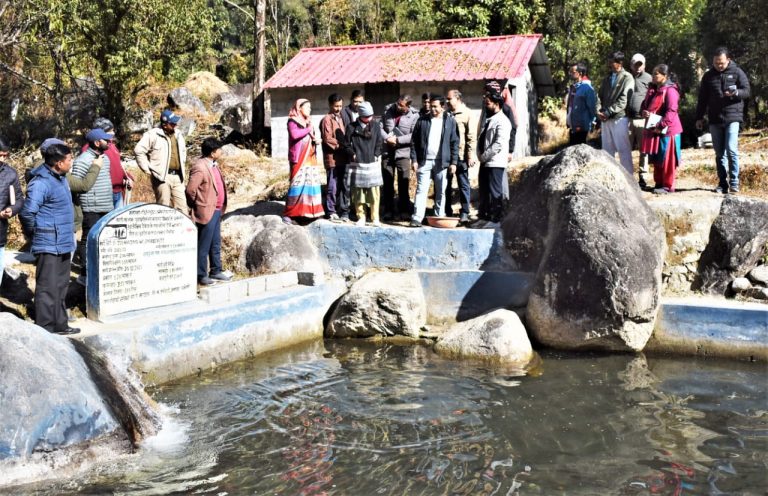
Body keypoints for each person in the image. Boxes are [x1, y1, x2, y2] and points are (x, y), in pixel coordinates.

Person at [19, 143, 80, 335]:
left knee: (61, 285)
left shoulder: (61, 178)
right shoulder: (41, 183)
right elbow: (27, 212)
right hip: (48, 242)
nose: (72, 162)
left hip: (63, 241)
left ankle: (60, 324)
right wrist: (35, 234)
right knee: (47, 287)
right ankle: (45, 328)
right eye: (70, 159)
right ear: (59, 163)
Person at [695, 47, 751, 194]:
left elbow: (747, 91)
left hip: (733, 117)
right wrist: (699, 117)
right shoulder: (708, 76)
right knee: (719, 153)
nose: (719, 65)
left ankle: (734, 182)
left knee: (731, 149)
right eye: (716, 63)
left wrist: (736, 93)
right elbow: (702, 99)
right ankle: (722, 183)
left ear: (728, 60)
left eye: (721, 63)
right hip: (715, 119)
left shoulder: (737, 72)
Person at [186, 138, 232, 286]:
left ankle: (216, 271)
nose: (221, 151)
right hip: (207, 210)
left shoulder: (213, 165)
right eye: (219, 149)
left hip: (217, 209)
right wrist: (197, 205)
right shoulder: (200, 167)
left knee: (215, 243)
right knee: (204, 245)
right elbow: (190, 190)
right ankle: (200, 275)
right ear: (213, 152)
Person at [72, 128, 115, 284]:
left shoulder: (105, 158)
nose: (109, 142)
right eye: (106, 140)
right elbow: (76, 185)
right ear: (97, 142)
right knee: (88, 240)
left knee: (103, 240)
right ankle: (85, 273)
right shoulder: (82, 160)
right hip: (91, 209)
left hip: (106, 207)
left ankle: (100, 271)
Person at [409, 95, 459, 228]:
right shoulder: (423, 120)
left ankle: (438, 217)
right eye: (431, 106)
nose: (432, 109)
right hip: (424, 162)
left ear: (442, 107)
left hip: (442, 163)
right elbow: (414, 142)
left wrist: (454, 162)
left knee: (441, 191)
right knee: (421, 190)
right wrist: (414, 159)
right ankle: (417, 218)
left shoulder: (450, 121)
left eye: (435, 106)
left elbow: (454, 143)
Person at [640, 65, 683, 194]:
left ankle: (668, 186)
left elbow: (672, 111)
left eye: (656, 74)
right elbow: (645, 105)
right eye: (653, 74)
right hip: (655, 129)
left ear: (665, 76)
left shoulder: (670, 91)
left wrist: (661, 125)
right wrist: (645, 112)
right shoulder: (653, 90)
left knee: (667, 159)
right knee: (658, 158)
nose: (653, 76)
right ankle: (659, 183)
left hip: (668, 131)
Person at [134, 109, 187, 212]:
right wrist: (148, 169)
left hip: (178, 176)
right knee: (163, 208)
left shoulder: (178, 134)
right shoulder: (153, 134)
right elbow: (138, 150)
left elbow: (183, 150)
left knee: (182, 208)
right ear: (165, 124)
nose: (175, 125)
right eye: (172, 123)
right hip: (162, 177)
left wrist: (183, 162)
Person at [473, 92, 511, 229]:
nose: (486, 105)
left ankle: (496, 220)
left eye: (488, 103)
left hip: (495, 161)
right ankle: (484, 217)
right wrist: (479, 153)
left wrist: (484, 156)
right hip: (485, 161)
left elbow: (498, 144)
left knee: (495, 192)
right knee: (484, 191)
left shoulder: (503, 121)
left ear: (497, 104)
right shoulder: (489, 119)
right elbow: (481, 138)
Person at [344, 101, 385, 227]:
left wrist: (377, 154)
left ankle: (374, 218)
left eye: (370, 116)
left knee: (374, 192)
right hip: (358, 163)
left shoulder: (376, 126)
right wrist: (353, 154)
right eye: (366, 117)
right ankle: (361, 216)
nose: (369, 119)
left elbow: (379, 142)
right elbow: (346, 145)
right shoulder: (351, 127)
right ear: (360, 115)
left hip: (372, 163)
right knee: (358, 192)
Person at [284, 99, 325, 224]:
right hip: (299, 158)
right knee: (297, 184)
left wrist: (316, 141)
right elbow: (295, 135)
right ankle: (290, 213)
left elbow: (309, 137)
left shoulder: (308, 122)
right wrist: (308, 129)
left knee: (310, 183)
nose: (309, 109)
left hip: (310, 157)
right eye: (307, 107)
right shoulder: (292, 121)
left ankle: (311, 212)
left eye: (310, 107)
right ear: (299, 108)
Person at [382, 94, 419, 221]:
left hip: (403, 153)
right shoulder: (388, 110)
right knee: (387, 182)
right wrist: (387, 138)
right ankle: (388, 210)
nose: (398, 106)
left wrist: (397, 140)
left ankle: (404, 210)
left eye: (401, 105)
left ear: (407, 106)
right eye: (397, 103)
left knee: (403, 183)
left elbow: (414, 135)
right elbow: (380, 127)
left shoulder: (414, 115)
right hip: (388, 152)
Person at [597, 51, 635, 175]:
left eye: (612, 61)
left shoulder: (627, 77)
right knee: (607, 152)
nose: (610, 64)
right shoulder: (607, 78)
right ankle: (609, 179)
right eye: (609, 61)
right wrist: (598, 110)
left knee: (623, 151)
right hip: (605, 120)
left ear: (620, 63)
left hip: (619, 119)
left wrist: (609, 112)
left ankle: (629, 180)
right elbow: (598, 96)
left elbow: (624, 99)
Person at [445, 89, 478, 224]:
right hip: (447, 155)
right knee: (445, 184)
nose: (447, 101)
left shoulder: (468, 114)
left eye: (449, 99)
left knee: (463, 184)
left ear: (457, 99)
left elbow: (471, 137)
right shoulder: (446, 114)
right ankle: (446, 211)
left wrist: (470, 155)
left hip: (461, 155)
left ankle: (464, 211)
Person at [320, 93, 350, 222]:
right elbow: (328, 139)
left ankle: (341, 209)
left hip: (342, 157)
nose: (338, 108)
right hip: (332, 158)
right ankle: (330, 210)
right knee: (332, 185)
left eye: (340, 106)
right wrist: (341, 146)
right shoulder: (327, 119)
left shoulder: (341, 118)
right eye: (336, 106)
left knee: (342, 185)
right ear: (330, 105)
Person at [91, 117, 134, 208]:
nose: (113, 133)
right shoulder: (94, 148)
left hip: (118, 191)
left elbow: (117, 166)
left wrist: (127, 177)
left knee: (119, 221)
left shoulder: (112, 146)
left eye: (113, 130)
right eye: (110, 131)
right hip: (105, 194)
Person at [0, 138, 23, 289]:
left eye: (5, 155)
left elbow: (19, 199)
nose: (2, 159)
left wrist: (12, 210)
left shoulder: (10, 174)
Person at [628, 54, 653, 187]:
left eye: (640, 64)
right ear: (631, 65)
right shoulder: (626, 77)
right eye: (636, 64)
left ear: (644, 65)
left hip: (642, 120)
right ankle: (627, 176)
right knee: (626, 150)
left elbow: (654, 97)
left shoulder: (649, 78)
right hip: (627, 119)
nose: (638, 67)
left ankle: (643, 177)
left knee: (644, 150)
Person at [565, 62, 597, 145]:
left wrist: (593, 122)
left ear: (580, 73)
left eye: (573, 72)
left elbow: (592, 107)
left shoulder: (587, 88)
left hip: (581, 125)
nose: (571, 74)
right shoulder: (574, 87)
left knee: (579, 150)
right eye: (570, 71)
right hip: (573, 125)